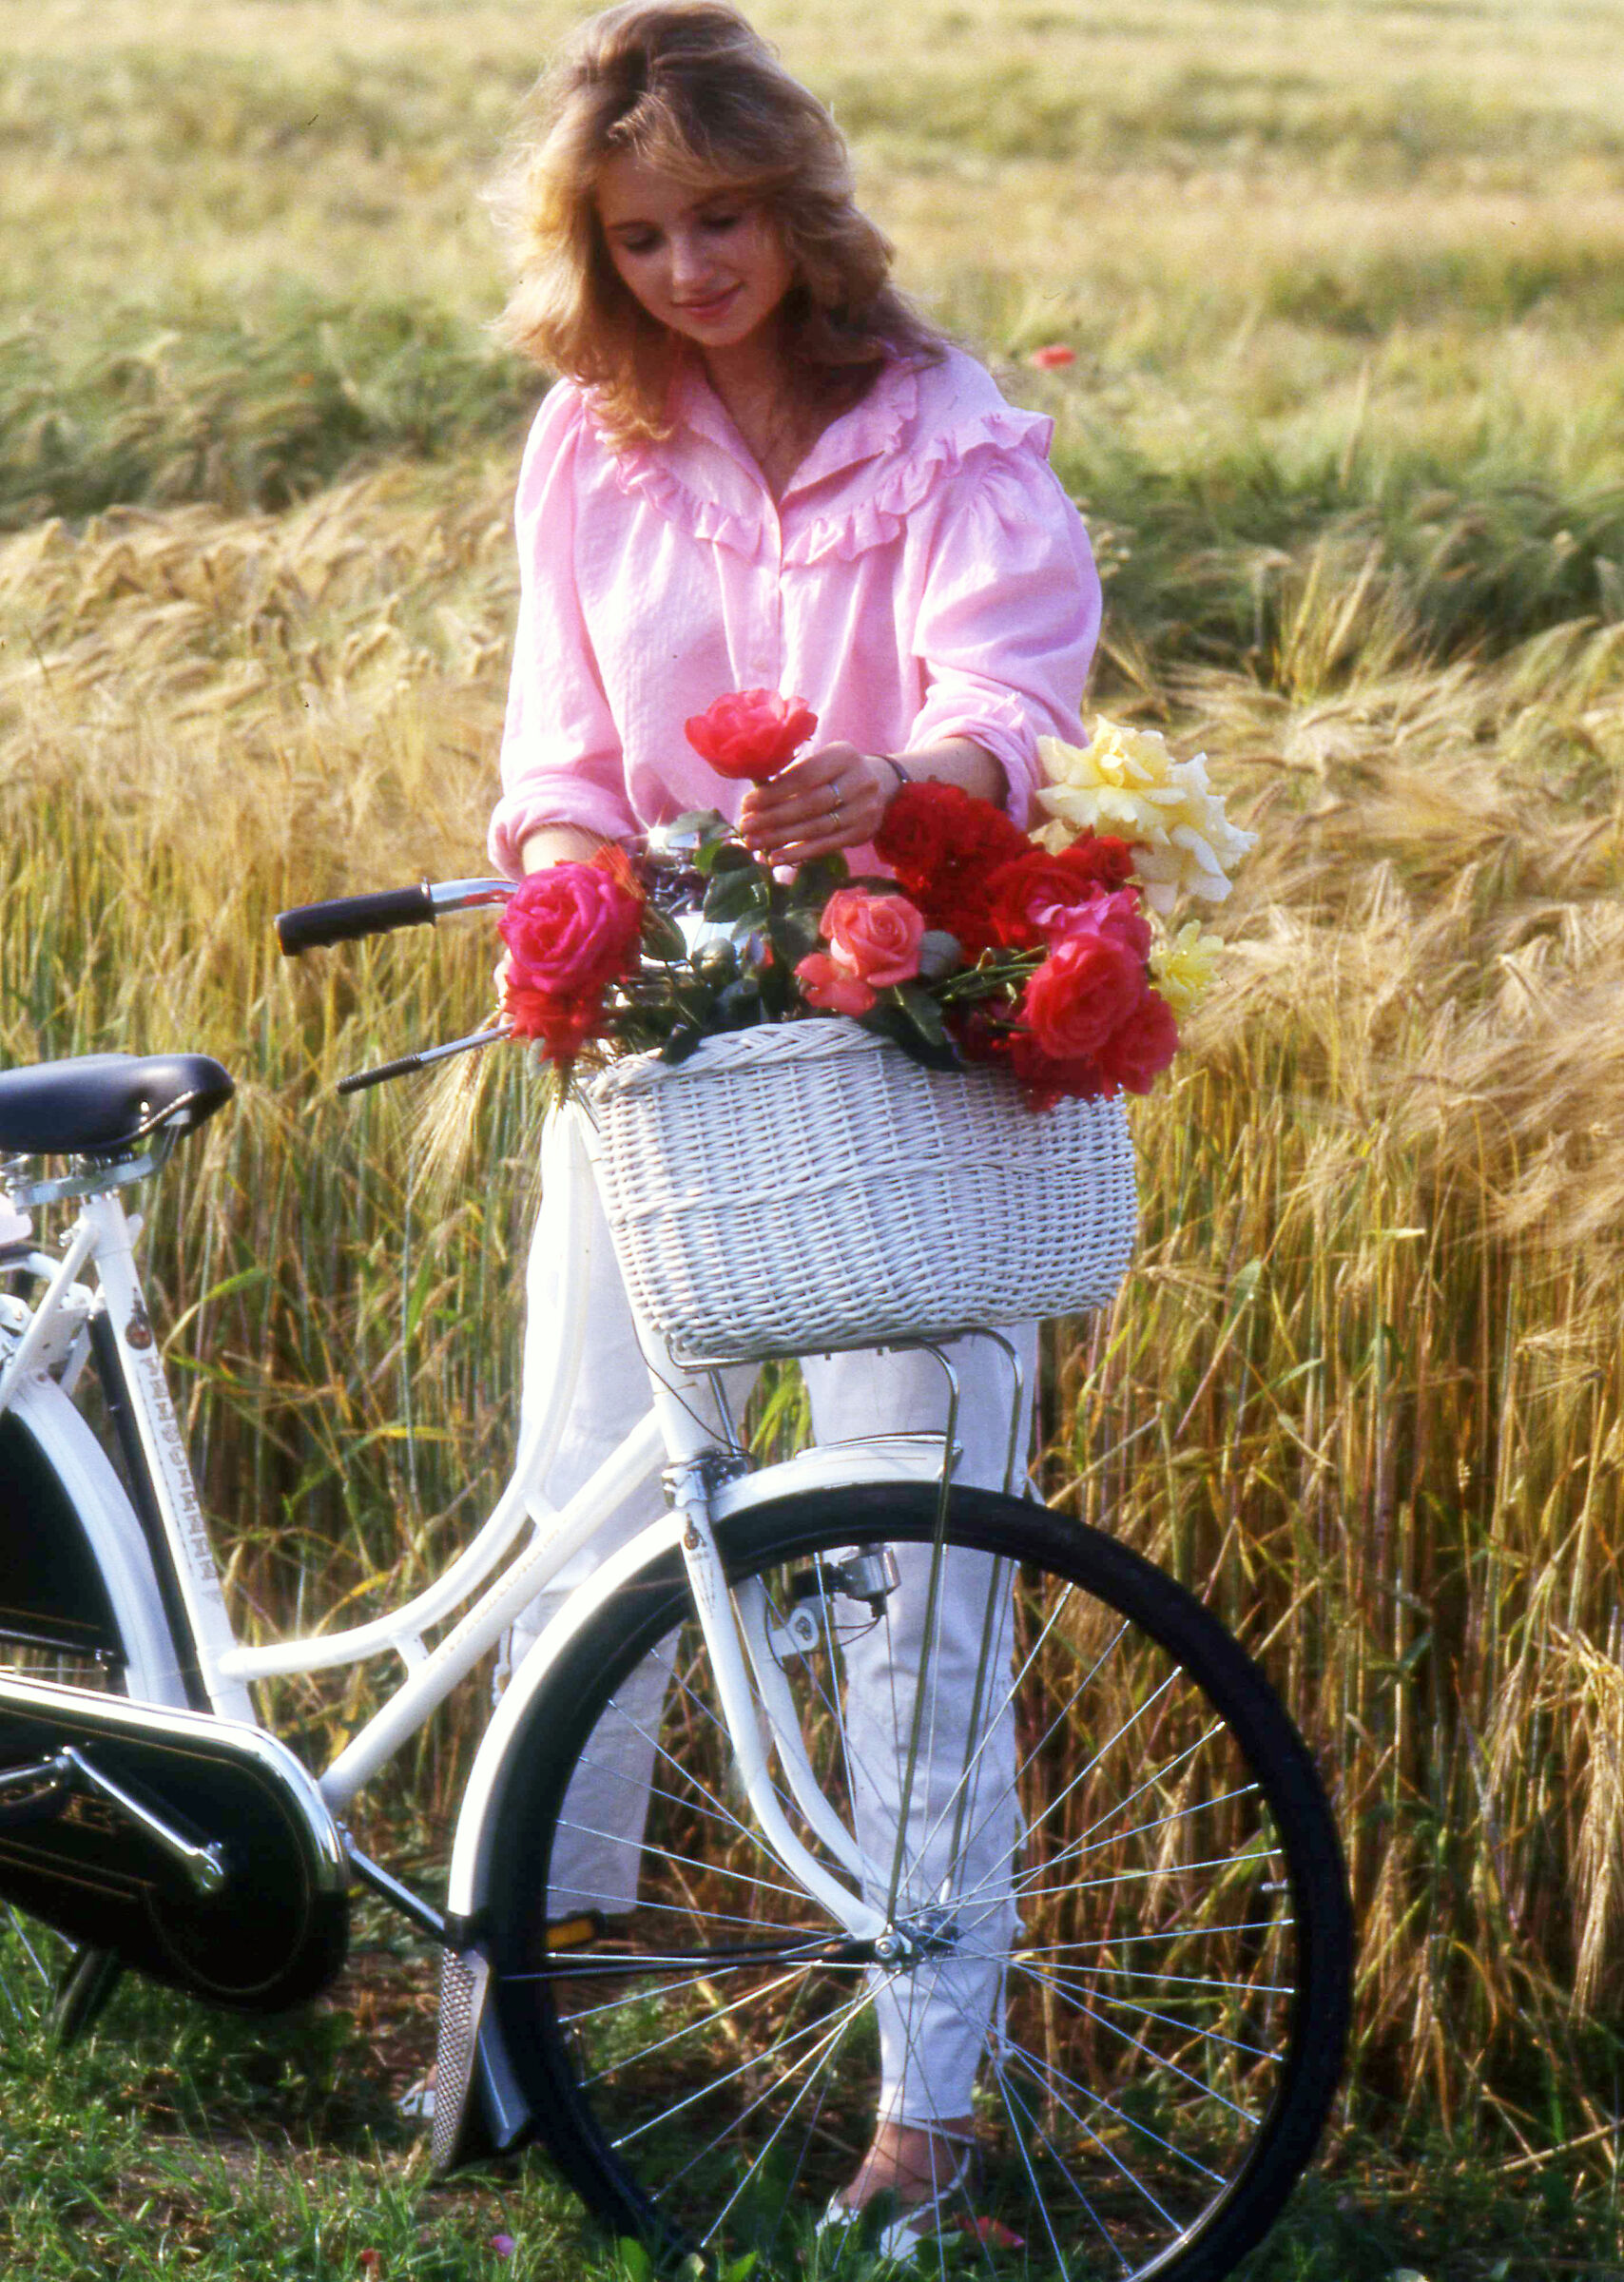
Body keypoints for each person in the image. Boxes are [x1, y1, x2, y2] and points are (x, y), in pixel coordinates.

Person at [486, 0, 1100, 2234]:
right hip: (659, 1039)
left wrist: (908, 778)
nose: (684, 271)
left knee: (917, 1556)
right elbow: (559, 746)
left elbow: (1008, 694)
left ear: (796, 204)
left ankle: (925, 2094)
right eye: (637, 235)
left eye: (718, 217)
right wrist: (563, 880)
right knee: (581, 1519)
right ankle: (524, 2010)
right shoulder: (588, 442)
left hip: (903, 1048)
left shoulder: (945, 431)